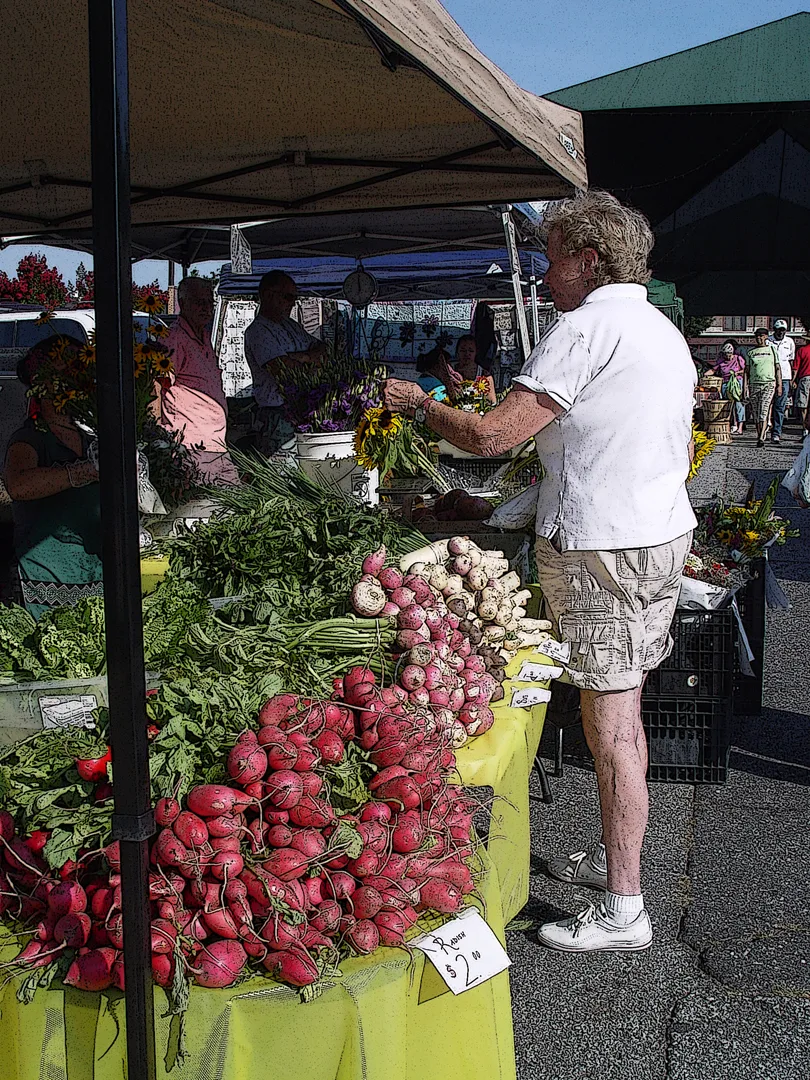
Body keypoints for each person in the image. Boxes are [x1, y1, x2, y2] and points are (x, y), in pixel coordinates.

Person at [384, 191, 696, 953]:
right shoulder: (658, 328)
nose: (542, 273)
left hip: (604, 549)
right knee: (619, 713)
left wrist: (420, 404)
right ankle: (618, 858)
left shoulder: (584, 329)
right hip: (653, 540)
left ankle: (626, 909)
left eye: (552, 257)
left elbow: (492, 435)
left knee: (613, 726)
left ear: (590, 262)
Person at [3, 337, 102, 619]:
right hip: (46, 577)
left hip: (91, 572)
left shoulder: (88, 440)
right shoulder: (30, 438)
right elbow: (19, 485)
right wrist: (81, 473)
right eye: (67, 372)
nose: (76, 381)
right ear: (43, 382)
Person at [160, 277, 239, 485]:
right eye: (199, 302)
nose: (206, 308)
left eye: (209, 303)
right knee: (204, 513)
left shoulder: (204, 336)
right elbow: (157, 385)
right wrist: (157, 436)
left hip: (216, 445)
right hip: (192, 446)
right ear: (183, 304)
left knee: (235, 508)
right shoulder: (174, 338)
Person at [243, 271, 326, 454]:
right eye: (288, 297)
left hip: (303, 410)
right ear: (268, 295)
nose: (293, 303)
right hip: (277, 414)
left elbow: (324, 350)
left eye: (294, 298)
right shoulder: (258, 331)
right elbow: (284, 371)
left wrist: (302, 357)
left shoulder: (292, 325)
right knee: (282, 472)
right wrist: (309, 360)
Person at [745, 328, 782, 447]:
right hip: (754, 384)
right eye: (757, 336)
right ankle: (759, 434)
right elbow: (747, 371)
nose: (759, 338)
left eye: (761, 336)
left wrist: (779, 384)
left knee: (763, 411)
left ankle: (762, 437)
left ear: (766, 337)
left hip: (768, 383)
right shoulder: (751, 352)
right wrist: (745, 386)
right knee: (756, 413)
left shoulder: (772, 350)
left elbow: (777, 368)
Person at [768, 320, 795, 442]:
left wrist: (792, 379)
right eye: (778, 329)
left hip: (785, 376)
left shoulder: (789, 342)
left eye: (783, 330)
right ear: (774, 329)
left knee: (780, 406)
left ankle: (776, 432)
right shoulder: (768, 341)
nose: (781, 332)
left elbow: (791, 361)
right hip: (770, 376)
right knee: (767, 405)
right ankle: (765, 429)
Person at [713, 340, 746, 434]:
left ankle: (740, 426)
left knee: (738, 403)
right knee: (728, 404)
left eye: (729, 354)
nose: (728, 356)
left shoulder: (738, 358)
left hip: (736, 382)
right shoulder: (721, 360)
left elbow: (745, 370)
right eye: (726, 354)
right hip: (726, 382)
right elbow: (714, 369)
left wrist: (737, 373)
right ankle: (732, 424)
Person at [454, 335, 497, 403]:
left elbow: (492, 402)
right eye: (463, 350)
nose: (467, 354)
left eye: (471, 351)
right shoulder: (451, 372)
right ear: (457, 352)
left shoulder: (485, 376)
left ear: (476, 352)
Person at [792, 334, 810, 438]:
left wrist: (792, 381)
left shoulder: (802, 350)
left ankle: (805, 429)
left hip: (805, 378)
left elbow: (795, 368)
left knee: (803, 405)